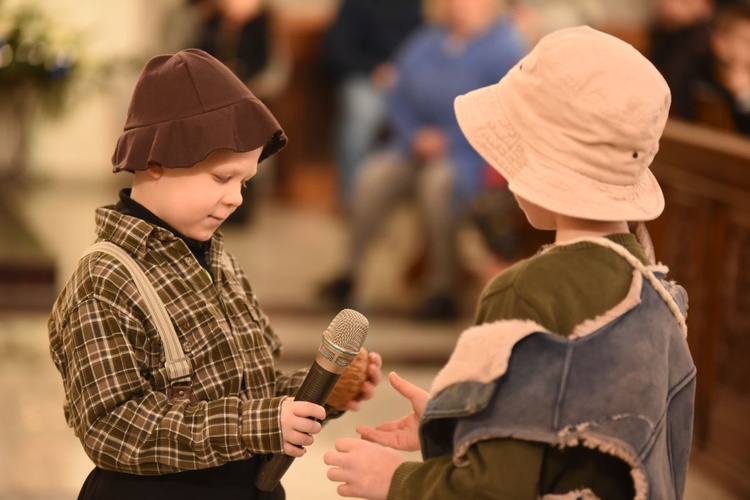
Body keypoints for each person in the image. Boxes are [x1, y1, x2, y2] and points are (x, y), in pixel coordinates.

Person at [324, 26, 696, 499]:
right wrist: (460, 425)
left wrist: (395, 481)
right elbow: (568, 441)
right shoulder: (652, 286)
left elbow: (496, 489)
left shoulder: (526, 292)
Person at [47, 48, 382, 500]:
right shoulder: (104, 280)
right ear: (156, 162)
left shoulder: (218, 259)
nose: (236, 199)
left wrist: (320, 392)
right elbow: (113, 429)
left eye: (244, 183)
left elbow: (251, 387)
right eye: (221, 178)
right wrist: (262, 424)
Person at [320, 0, 527, 321]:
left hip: (472, 154)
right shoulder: (427, 40)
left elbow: (502, 108)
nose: (461, 6)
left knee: (439, 183)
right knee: (374, 175)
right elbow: (397, 93)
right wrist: (415, 134)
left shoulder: (504, 47)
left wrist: (450, 139)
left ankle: (442, 289)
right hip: (412, 147)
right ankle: (350, 272)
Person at [323, 0, 424, 208]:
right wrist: (374, 70)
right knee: (362, 115)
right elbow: (337, 50)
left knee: (431, 111)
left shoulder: (418, 6)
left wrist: (405, 75)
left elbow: (428, 48)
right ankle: (353, 199)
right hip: (365, 78)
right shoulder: (356, 5)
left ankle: (402, 198)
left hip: (409, 82)